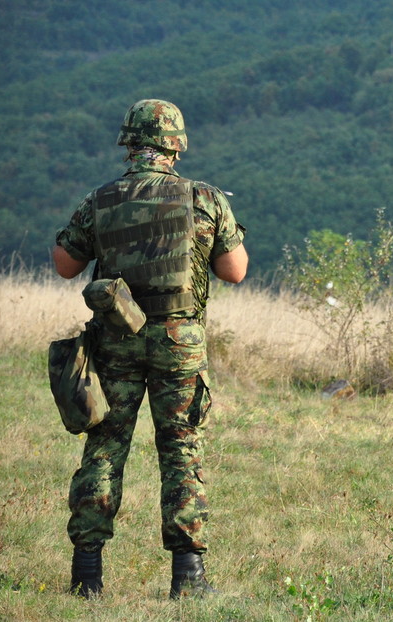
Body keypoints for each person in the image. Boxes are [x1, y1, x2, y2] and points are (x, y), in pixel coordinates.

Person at [52, 99, 248, 600]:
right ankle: (188, 579)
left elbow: (64, 264)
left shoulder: (101, 199)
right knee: (181, 451)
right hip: (179, 343)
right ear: (176, 145)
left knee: (104, 447)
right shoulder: (203, 198)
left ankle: (86, 576)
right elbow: (235, 270)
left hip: (116, 341)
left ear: (130, 143)